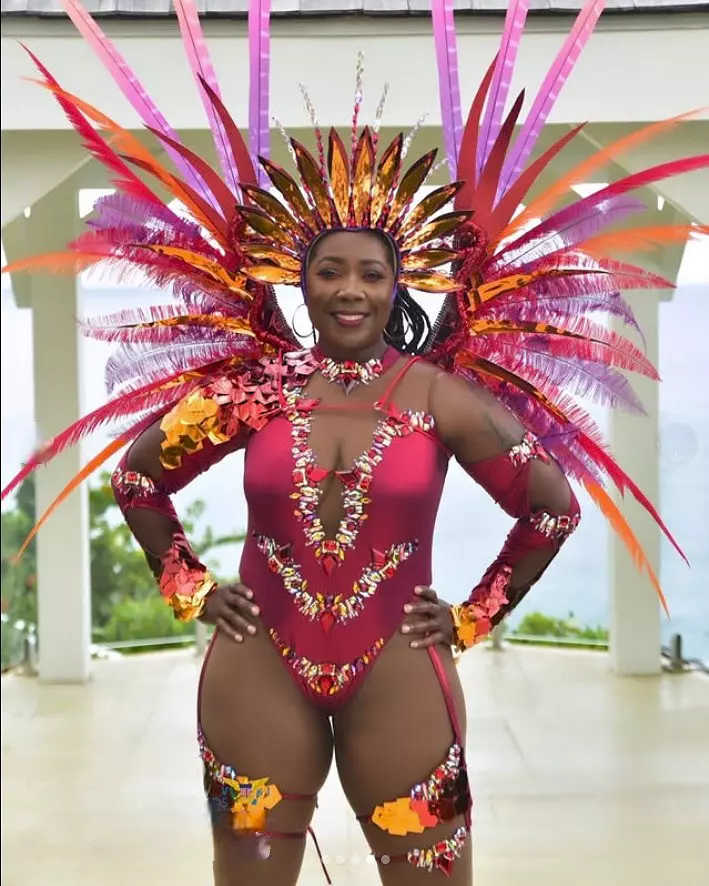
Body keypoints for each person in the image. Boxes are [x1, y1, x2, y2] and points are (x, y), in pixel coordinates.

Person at [2, 1, 699, 884]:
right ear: (301, 284)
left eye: (370, 274)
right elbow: (137, 482)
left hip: (398, 675)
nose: (349, 291)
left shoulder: (441, 397)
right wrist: (188, 585)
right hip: (255, 670)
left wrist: (473, 615)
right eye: (328, 271)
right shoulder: (252, 393)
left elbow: (551, 508)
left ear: (396, 286)